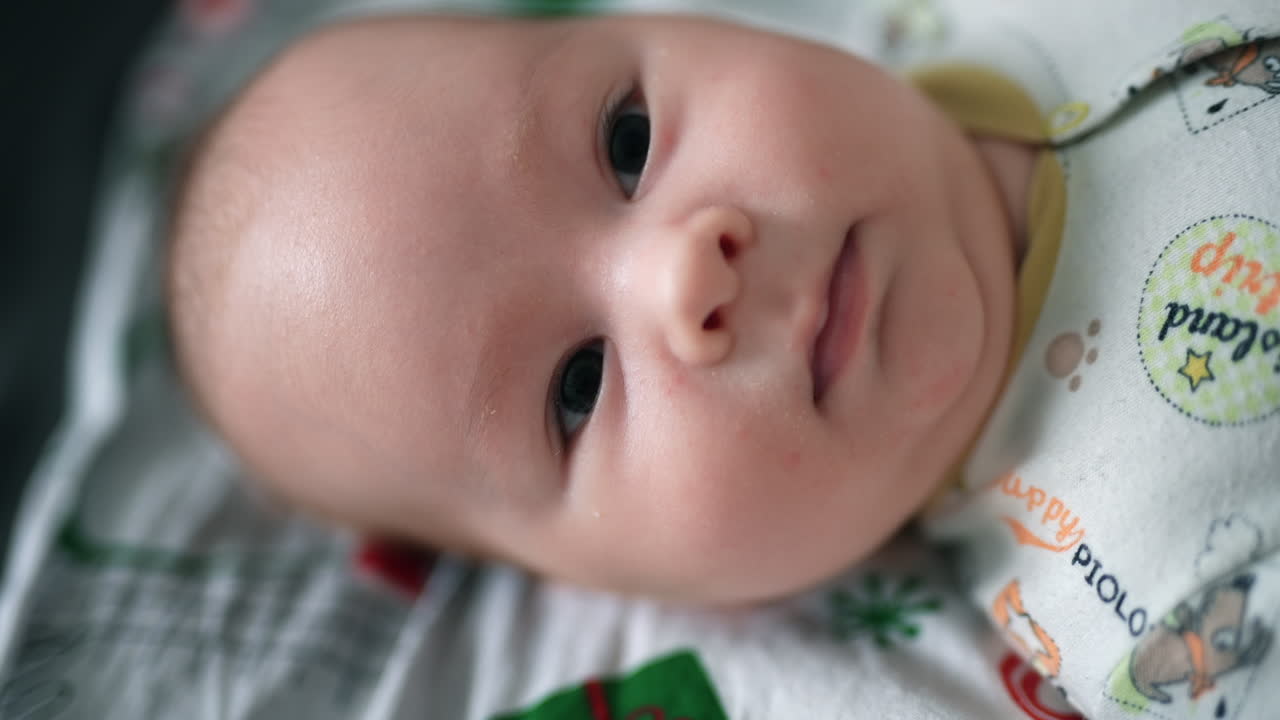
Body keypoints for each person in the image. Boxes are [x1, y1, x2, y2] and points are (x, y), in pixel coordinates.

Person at [166, 7, 1280, 717]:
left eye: (625, 141)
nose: (683, 278)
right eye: (575, 388)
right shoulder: (1143, 609)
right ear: (632, 587)